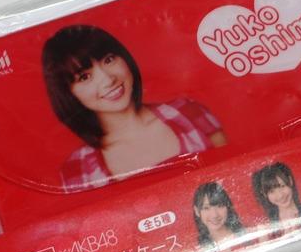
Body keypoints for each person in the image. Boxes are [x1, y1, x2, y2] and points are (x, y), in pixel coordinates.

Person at [42, 25, 226, 191]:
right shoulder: (78, 168)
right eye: (85, 76)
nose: (108, 79)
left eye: (109, 59)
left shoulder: (188, 113)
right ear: (68, 94)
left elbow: (233, 179)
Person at [252, 162, 301, 230]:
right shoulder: (267, 228)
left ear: (290, 181)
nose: (280, 195)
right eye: (271, 191)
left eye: (282, 186)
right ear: (264, 194)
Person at [193, 182, 245, 252]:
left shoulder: (251, 236)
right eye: (206, 208)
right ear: (197, 211)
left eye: (220, 206)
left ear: (227, 206)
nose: (214, 215)